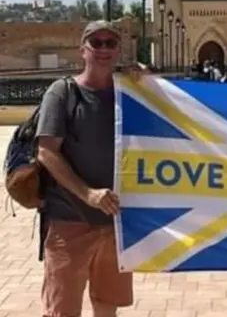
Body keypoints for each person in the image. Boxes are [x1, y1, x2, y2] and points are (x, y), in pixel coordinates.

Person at [35, 20, 146, 317]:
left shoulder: (129, 93)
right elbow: (46, 151)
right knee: (62, 309)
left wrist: (148, 84)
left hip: (115, 224)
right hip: (69, 222)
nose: (104, 49)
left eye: (111, 43)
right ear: (82, 49)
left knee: (107, 306)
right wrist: (88, 194)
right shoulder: (62, 94)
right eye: (96, 42)